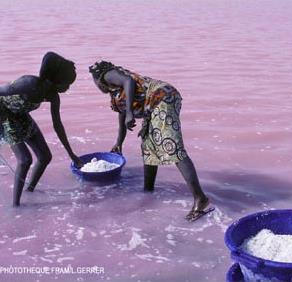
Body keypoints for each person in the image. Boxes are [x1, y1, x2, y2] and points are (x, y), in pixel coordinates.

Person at [89, 61, 213, 221]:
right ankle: (148, 191)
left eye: (94, 81)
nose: (97, 85)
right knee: (148, 146)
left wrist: (130, 115)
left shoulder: (108, 74)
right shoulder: (115, 95)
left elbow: (129, 81)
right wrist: (119, 142)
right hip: (153, 107)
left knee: (172, 147)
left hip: (162, 98)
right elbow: (122, 115)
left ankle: (200, 198)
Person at [0, 51, 83, 206]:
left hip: (21, 114)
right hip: (4, 115)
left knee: (45, 157)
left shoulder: (53, 96)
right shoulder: (28, 83)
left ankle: (29, 191)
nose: (68, 87)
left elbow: (58, 126)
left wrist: (72, 155)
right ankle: (15, 205)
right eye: (66, 83)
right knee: (25, 160)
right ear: (54, 80)